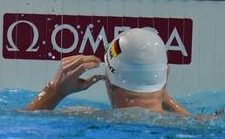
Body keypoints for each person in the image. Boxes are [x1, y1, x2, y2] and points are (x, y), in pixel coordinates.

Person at [23, 27, 190, 114]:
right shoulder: (188, 124)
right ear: (166, 74)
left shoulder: (89, 118)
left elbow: (22, 124)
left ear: (108, 81)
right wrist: (163, 96)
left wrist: (55, 91)